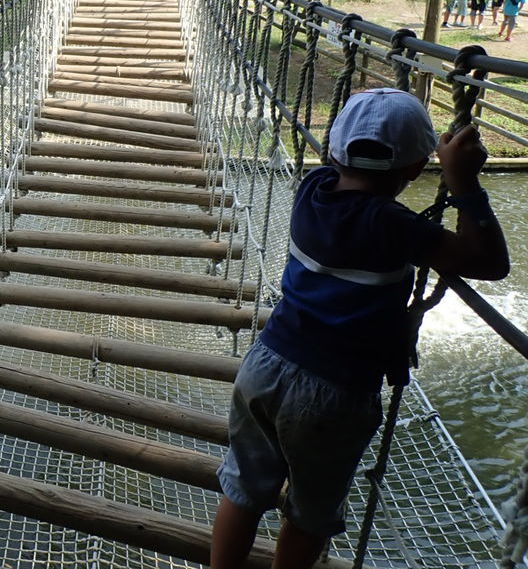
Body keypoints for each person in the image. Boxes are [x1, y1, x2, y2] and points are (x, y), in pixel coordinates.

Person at [210, 88, 508, 569]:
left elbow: (347, 171)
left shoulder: (312, 189)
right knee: (310, 512)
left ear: (331, 153)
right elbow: (490, 262)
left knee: (244, 484)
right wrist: (463, 183)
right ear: (415, 169)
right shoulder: (397, 228)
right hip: (334, 392)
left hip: (264, 364)